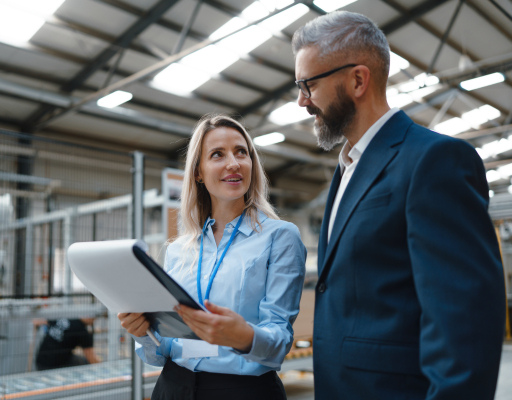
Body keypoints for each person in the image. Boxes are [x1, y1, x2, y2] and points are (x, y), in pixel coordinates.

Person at [291, 11, 506, 400]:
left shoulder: (434, 160)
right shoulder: (347, 169)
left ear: (358, 79)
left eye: (309, 84)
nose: (302, 101)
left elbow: (465, 323)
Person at [118, 114, 306, 400]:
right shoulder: (178, 250)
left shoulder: (280, 237)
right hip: (173, 386)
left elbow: (280, 341)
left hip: (242, 392)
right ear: (198, 172)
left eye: (241, 152)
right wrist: (142, 332)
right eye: (217, 154)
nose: (233, 162)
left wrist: (243, 335)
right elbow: (162, 353)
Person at [35, 317, 100, 370]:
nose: (94, 321)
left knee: (79, 359)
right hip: (53, 366)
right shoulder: (82, 331)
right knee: (84, 364)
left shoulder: (66, 317)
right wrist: (103, 368)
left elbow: (38, 321)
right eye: (94, 319)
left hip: (40, 360)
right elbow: (91, 359)